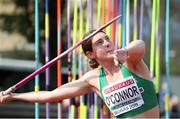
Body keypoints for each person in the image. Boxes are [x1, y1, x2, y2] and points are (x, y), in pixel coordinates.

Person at [0, 30, 159, 118]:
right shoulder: (93, 79)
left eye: (107, 38)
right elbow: (50, 95)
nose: (108, 43)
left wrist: (125, 51)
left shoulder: (131, 62)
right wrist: (14, 97)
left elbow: (140, 45)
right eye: (100, 43)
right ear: (90, 54)